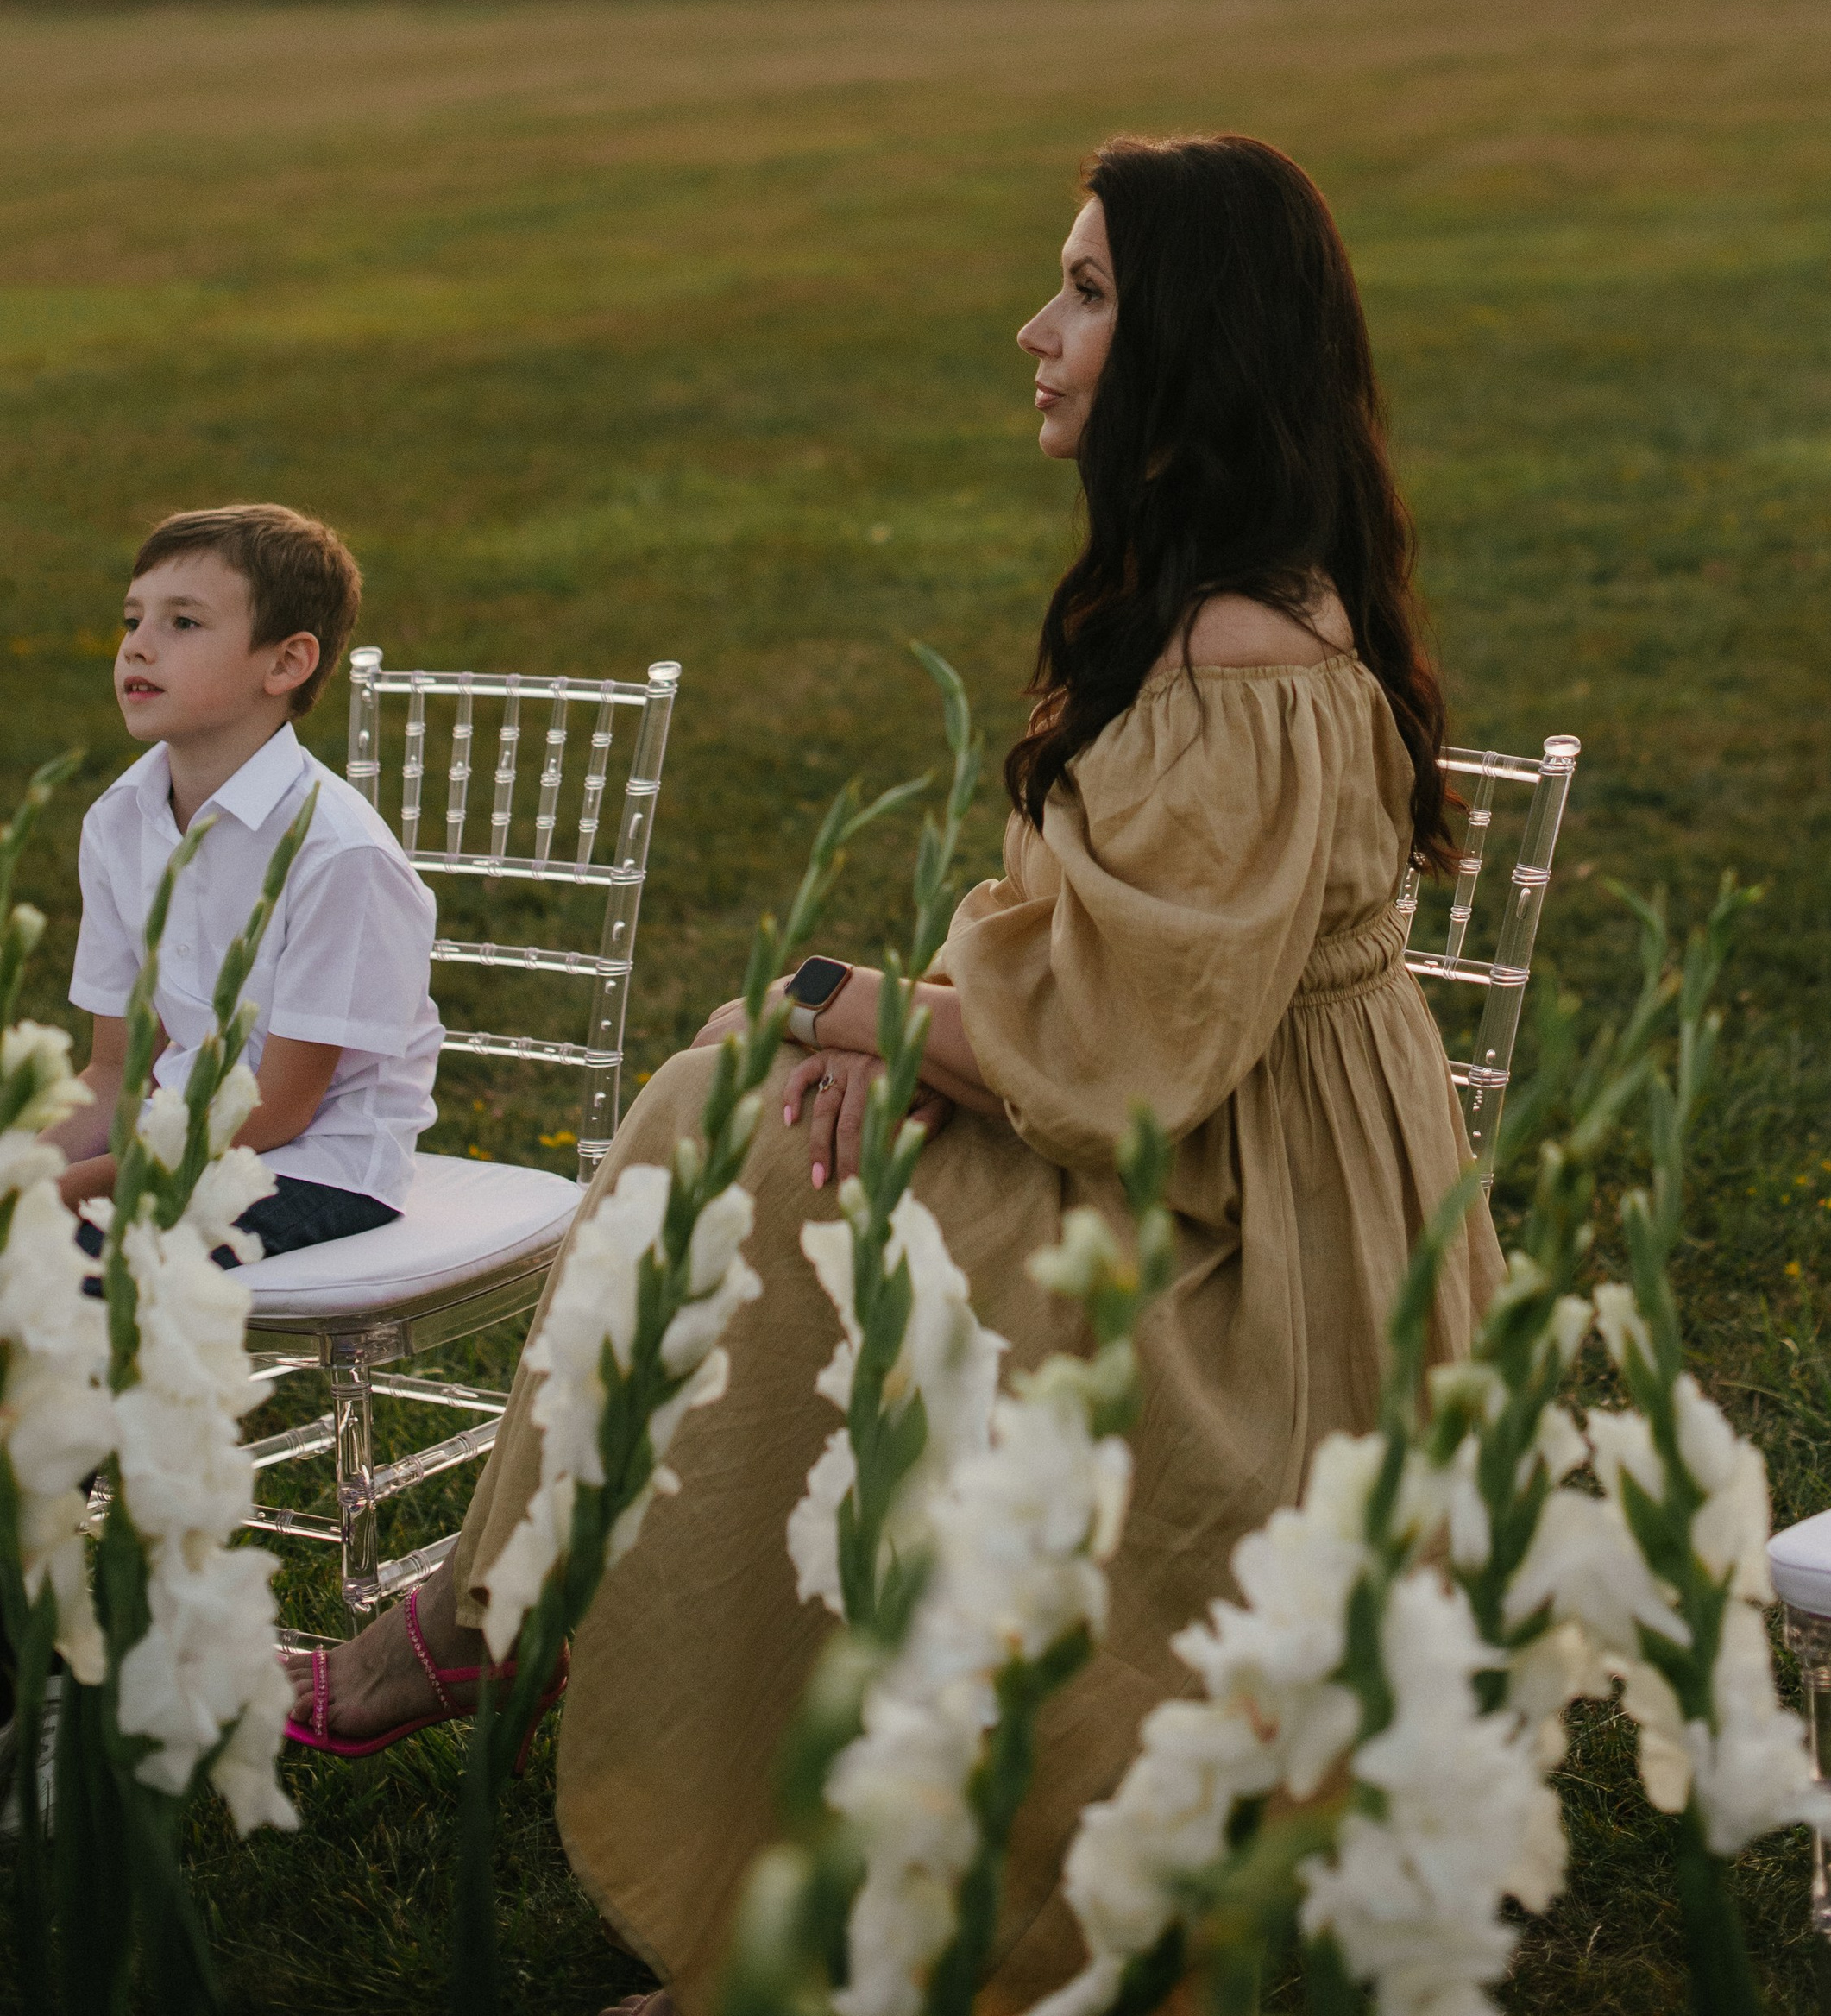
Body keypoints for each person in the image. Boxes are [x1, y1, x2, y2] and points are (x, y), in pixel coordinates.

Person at [283, 136, 1506, 2016]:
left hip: (1247, 1251)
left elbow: (1132, 1056)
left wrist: (855, 1003)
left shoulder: (1245, 646)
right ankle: (498, 1595)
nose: (1036, 329)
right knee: (746, 1103)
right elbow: (1091, 949)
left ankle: (501, 1613)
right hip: (1187, 1129)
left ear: (1193, 341)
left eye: (1087, 292)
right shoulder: (1205, 602)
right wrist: (905, 1025)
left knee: (732, 1118)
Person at [57, 503, 442, 1267]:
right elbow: (113, 1070)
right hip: (176, 1145)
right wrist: (25, 1167)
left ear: (286, 663)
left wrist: (62, 1191)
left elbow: (278, 1111)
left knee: (61, 1254)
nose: (137, 645)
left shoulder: (338, 851)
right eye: (133, 619)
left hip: (314, 1164)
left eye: (183, 623)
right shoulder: (118, 824)